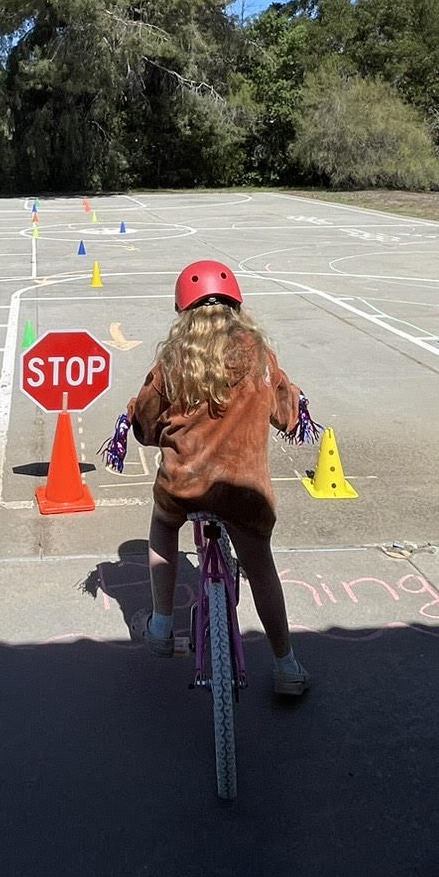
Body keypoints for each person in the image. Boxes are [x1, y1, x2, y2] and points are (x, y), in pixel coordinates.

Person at [124, 260, 312, 697]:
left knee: (163, 525)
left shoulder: (173, 360)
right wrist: (293, 407)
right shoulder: (258, 355)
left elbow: (147, 421)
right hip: (243, 492)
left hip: (184, 486)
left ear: (183, 309)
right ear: (236, 306)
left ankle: (161, 625)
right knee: (261, 569)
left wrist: (141, 423)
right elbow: (285, 411)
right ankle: (286, 666)